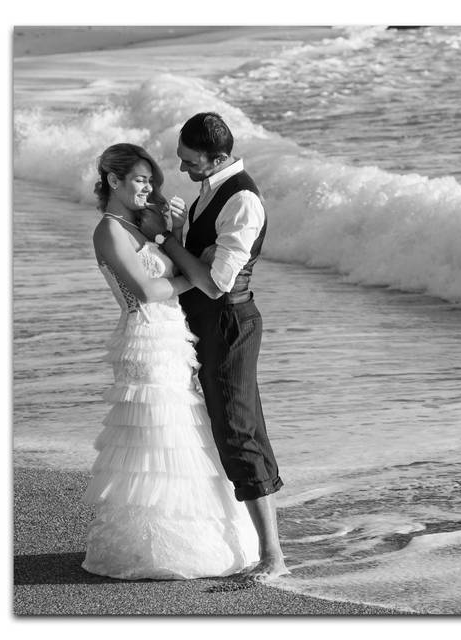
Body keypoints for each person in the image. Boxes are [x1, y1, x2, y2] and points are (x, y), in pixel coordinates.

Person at [84, 143, 259, 579]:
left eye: (151, 181)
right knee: (153, 436)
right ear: (113, 181)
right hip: (144, 338)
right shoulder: (109, 230)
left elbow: (180, 275)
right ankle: (151, 547)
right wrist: (190, 275)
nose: (149, 187)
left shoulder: (139, 226)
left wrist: (170, 236)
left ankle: (193, 538)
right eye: (141, 180)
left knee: (180, 430)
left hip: (172, 338)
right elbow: (146, 290)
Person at [140, 113, 288, 580]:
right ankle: (240, 540)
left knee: (238, 430)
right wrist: (183, 241)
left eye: (191, 163)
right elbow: (198, 266)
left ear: (219, 156)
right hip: (208, 321)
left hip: (228, 323)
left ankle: (274, 558)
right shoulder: (211, 188)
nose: (184, 171)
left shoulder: (241, 200)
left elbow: (217, 283)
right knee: (220, 426)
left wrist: (165, 239)